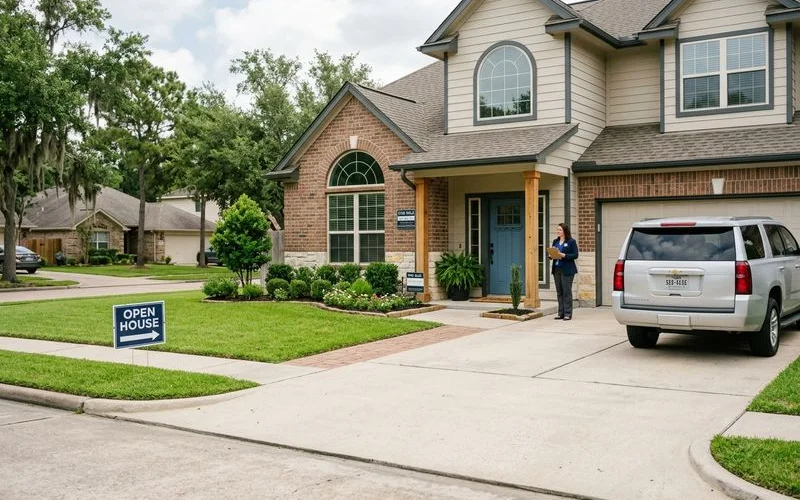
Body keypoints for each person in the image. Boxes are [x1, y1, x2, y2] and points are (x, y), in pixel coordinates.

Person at [550, 223, 579, 320]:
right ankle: (560, 313)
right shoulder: (555, 241)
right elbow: (554, 253)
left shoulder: (571, 242)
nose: (558, 231)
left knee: (566, 292)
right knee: (559, 292)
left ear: (564, 231)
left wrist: (564, 255)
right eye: (557, 229)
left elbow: (575, 255)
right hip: (556, 269)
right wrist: (551, 255)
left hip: (567, 270)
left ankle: (567, 313)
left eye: (560, 230)